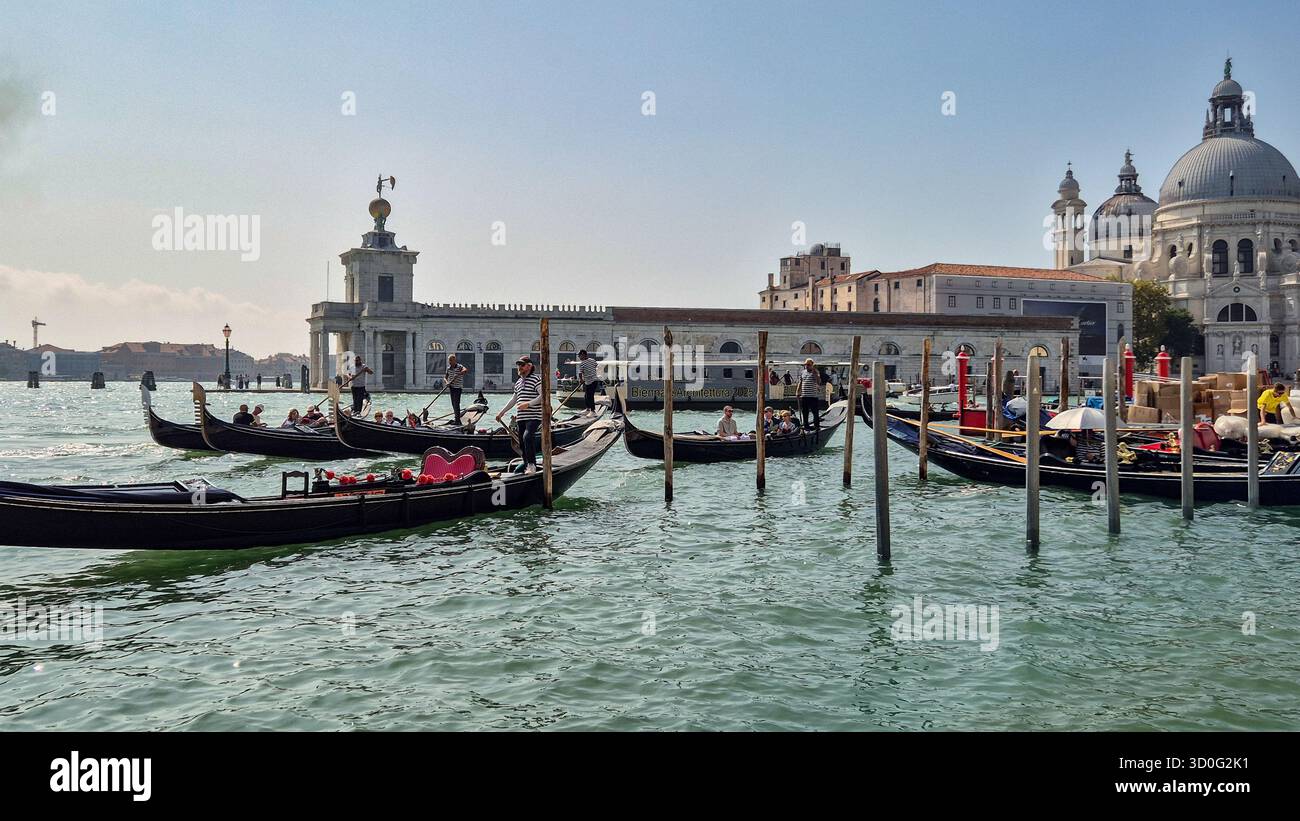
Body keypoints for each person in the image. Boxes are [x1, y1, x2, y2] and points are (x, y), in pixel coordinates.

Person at [496, 356, 543, 473]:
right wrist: (502, 412)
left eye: (522, 365)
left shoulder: (536, 379)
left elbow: (543, 396)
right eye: (518, 365)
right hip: (521, 417)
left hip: (534, 416)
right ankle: (526, 463)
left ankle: (532, 465)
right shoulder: (518, 382)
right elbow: (513, 399)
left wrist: (528, 404)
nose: (519, 367)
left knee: (527, 437)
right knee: (521, 442)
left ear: (529, 366)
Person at [797, 358, 821, 431]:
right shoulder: (803, 372)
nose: (807, 366)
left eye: (808, 365)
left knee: (815, 412)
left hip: (813, 396)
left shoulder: (816, 372)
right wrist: (797, 392)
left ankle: (816, 426)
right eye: (805, 364)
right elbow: (800, 382)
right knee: (805, 412)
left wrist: (815, 374)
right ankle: (806, 426)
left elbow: (819, 381)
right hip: (804, 396)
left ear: (812, 365)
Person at [445, 354, 469, 424]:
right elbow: (445, 377)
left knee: (456, 403)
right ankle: (457, 418)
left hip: (458, 388)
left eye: (451, 361)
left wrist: (459, 373)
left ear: (454, 360)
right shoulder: (448, 368)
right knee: (453, 403)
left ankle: (457, 420)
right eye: (449, 361)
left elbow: (465, 370)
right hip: (451, 387)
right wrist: (447, 382)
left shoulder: (459, 367)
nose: (450, 362)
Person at [577, 349, 602, 416]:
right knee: (586, 395)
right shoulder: (593, 360)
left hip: (590, 381)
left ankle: (593, 411)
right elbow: (597, 367)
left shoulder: (582, 363)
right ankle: (588, 409)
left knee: (590, 396)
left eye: (579, 356)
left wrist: (581, 380)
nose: (579, 357)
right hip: (594, 381)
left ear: (583, 355)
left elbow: (580, 373)